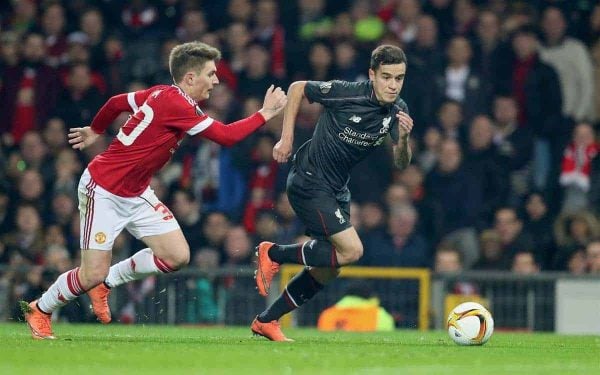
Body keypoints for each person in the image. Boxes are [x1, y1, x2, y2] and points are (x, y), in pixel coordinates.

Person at [20, 41, 287, 340]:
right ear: (189, 78)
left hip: (136, 192)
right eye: (211, 74)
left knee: (176, 256)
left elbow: (116, 103)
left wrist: (96, 129)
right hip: (104, 190)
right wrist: (264, 113)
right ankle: (40, 309)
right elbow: (225, 136)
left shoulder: (161, 93)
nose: (216, 80)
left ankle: (106, 284)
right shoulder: (178, 104)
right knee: (90, 271)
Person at [251, 44, 413, 341]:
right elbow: (299, 88)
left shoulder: (398, 111)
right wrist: (286, 139)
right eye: (386, 77)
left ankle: (267, 320)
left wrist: (402, 140)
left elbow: (402, 163)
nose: (393, 85)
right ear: (372, 75)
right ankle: (272, 252)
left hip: (337, 188)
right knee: (352, 250)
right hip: (309, 179)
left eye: (399, 78)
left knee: (329, 268)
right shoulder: (348, 92)